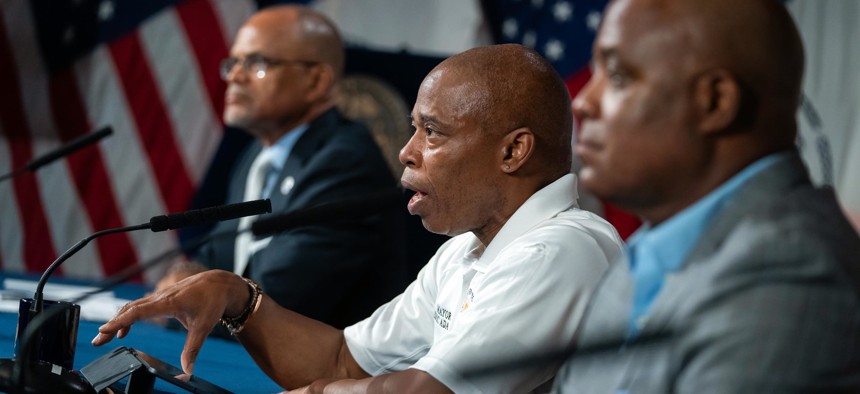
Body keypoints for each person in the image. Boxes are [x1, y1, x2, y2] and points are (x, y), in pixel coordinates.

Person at [93, 44, 624, 393]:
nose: (406, 152)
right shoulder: (468, 248)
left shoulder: (562, 249)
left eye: (432, 132)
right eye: (414, 129)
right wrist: (237, 296)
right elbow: (344, 361)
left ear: (514, 152)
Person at [551, 0, 860, 392]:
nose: (582, 102)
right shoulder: (646, 249)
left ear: (716, 102)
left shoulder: (793, 270)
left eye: (616, 75)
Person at [161, 5, 410, 329]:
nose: (235, 76)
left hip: (323, 373)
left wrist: (182, 300)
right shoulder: (258, 156)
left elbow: (275, 304)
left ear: (316, 80)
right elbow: (216, 256)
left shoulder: (346, 162)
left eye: (257, 63)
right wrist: (183, 278)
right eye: (234, 63)